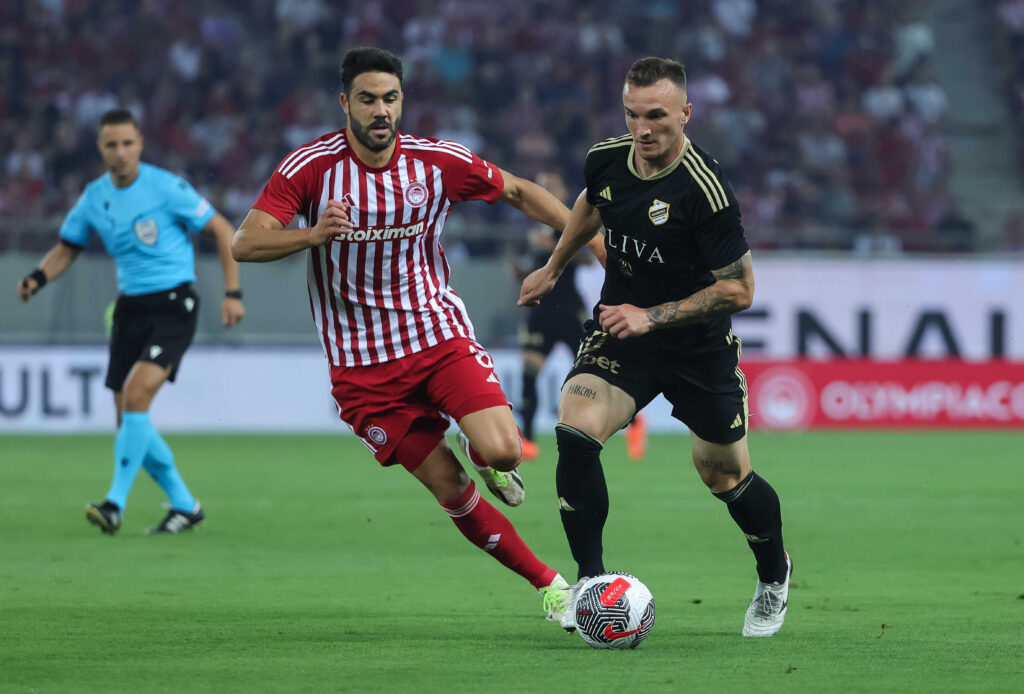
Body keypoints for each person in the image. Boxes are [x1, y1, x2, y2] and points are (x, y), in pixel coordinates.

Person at [231, 47, 601, 622]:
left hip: (435, 335)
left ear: (402, 101)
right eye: (368, 99)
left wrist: (587, 242)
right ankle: (551, 587)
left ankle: (488, 455)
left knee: (504, 447)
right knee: (450, 488)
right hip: (362, 369)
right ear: (344, 104)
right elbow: (245, 243)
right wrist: (312, 235)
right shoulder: (308, 168)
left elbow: (518, 191)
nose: (381, 111)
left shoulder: (437, 162)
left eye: (391, 99)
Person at [520, 57, 792, 637]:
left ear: (686, 114)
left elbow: (740, 289)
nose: (644, 129)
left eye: (658, 117)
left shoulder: (706, 191)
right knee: (575, 423)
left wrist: (654, 316)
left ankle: (774, 574)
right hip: (624, 332)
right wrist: (553, 266)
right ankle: (589, 586)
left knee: (722, 475)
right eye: (633, 115)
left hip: (697, 348)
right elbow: (590, 207)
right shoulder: (605, 159)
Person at [16, 108, 245, 535]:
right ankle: (184, 504)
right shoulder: (94, 197)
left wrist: (233, 293)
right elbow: (67, 247)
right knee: (127, 419)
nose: (120, 152)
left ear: (140, 143)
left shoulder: (166, 187)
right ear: (101, 149)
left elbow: (222, 228)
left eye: (127, 143)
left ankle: (114, 504)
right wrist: (37, 277)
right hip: (130, 309)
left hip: (175, 303)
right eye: (111, 145)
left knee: (137, 397)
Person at [513, 171, 594, 462]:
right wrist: (521, 272)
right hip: (541, 311)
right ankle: (529, 440)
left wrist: (557, 250)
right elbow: (526, 264)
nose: (546, 190)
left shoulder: (574, 221)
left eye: (552, 185)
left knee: (594, 373)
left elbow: (588, 256)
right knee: (528, 375)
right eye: (542, 186)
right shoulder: (530, 229)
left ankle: (632, 423)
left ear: (562, 191)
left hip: (571, 311)